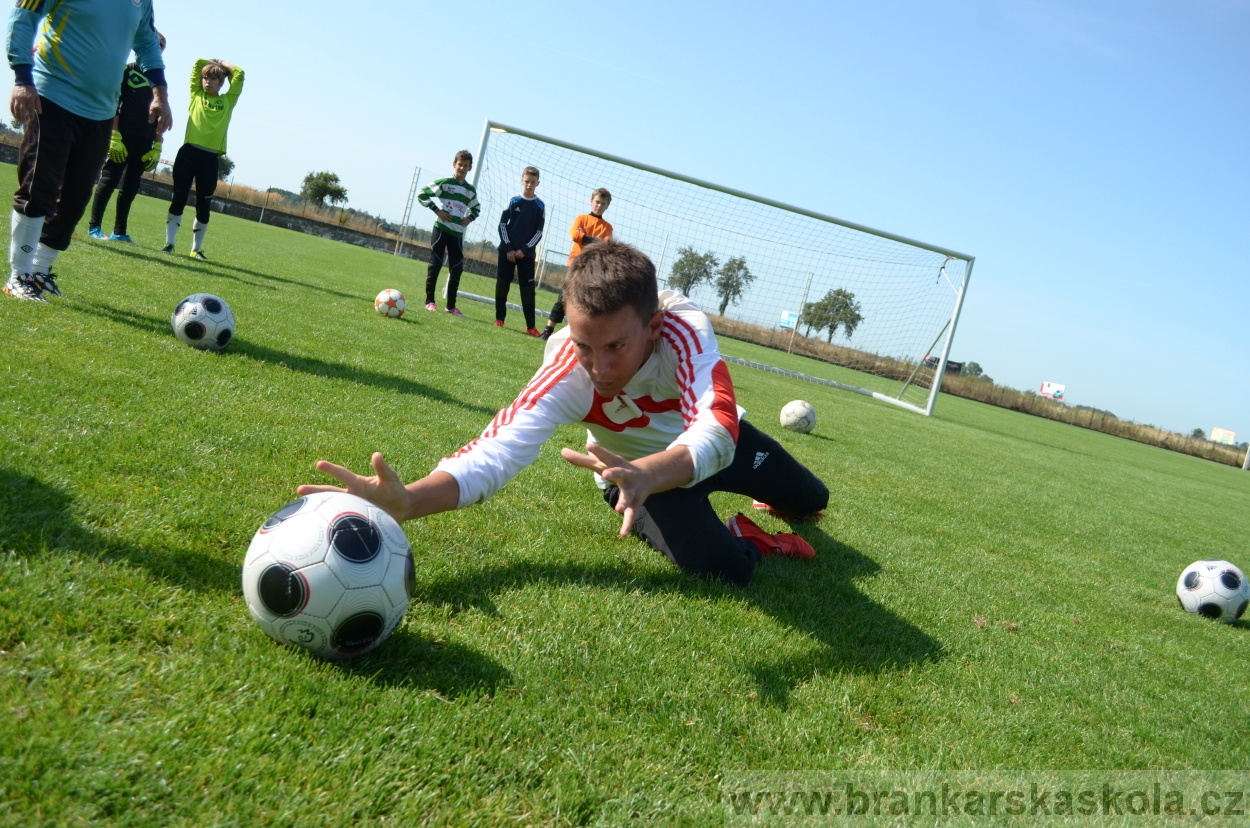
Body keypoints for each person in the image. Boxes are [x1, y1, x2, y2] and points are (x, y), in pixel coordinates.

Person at [298, 241, 828, 587]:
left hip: (690, 456)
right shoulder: (566, 366)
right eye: (583, 345)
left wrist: (656, 468)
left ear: (654, 324)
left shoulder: (684, 331)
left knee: (811, 501)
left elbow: (718, 425)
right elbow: (498, 450)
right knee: (724, 570)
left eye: (616, 346)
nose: (598, 367)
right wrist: (410, 500)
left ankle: (763, 497)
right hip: (630, 477)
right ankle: (751, 536)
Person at [4, 0, 171, 302]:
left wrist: (160, 94)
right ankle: (19, 274)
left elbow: (147, 43)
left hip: (102, 112)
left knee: (77, 197)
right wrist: (22, 79)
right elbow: (23, 17)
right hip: (52, 95)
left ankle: (40, 271)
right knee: (38, 187)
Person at [87, 31, 168, 243]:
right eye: (154, 45)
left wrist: (157, 146)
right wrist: (114, 136)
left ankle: (119, 231)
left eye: (161, 47)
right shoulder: (126, 70)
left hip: (144, 141)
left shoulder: (159, 81)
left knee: (131, 186)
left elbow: (161, 114)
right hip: (122, 137)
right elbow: (113, 103)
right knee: (109, 180)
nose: (157, 50)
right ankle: (94, 227)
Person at [162, 58, 244, 260]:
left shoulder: (227, 101)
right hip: (188, 153)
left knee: (203, 205)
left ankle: (196, 249)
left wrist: (221, 64)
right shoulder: (195, 95)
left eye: (213, 78)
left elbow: (240, 74)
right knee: (178, 199)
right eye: (205, 78)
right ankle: (169, 244)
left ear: (221, 82)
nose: (208, 81)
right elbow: (197, 64)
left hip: (210, 159)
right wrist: (210, 63)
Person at [539, 187, 612, 340]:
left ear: (607, 206)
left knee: (584, 301)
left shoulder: (607, 227)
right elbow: (574, 234)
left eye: (603, 203)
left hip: (592, 268)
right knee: (564, 297)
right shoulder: (581, 218)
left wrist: (585, 237)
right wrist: (593, 240)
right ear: (591, 201)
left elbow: (604, 246)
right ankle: (547, 331)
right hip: (573, 264)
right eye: (597, 202)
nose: (599, 205)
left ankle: (576, 336)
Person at [417, 150, 480, 315]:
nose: (462, 168)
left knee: (457, 268)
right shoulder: (445, 182)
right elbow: (422, 194)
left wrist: (470, 218)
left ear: (470, 168)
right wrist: (437, 210)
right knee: (435, 264)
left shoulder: (470, 190)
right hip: (441, 230)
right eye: (460, 164)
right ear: (454, 164)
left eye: (465, 166)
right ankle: (429, 301)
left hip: (457, 234)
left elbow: (477, 207)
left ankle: (450, 307)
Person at [493, 166, 545, 336]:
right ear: (521, 180)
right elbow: (502, 225)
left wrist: (524, 249)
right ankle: (499, 319)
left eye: (533, 182)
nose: (529, 185)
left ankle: (530, 326)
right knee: (502, 285)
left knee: (528, 290)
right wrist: (508, 248)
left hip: (526, 255)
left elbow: (539, 233)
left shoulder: (539, 205)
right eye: (527, 181)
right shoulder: (513, 201)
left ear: (538, 183)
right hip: (507, 252)